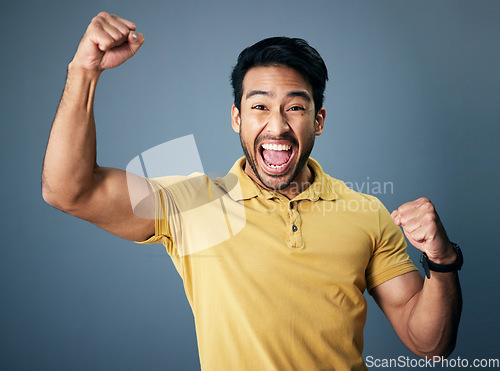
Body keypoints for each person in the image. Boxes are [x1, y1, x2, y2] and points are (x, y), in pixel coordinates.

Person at [42, 12, 462, 371]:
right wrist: (83, 72)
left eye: (295, 107)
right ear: (236, 118)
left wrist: (441, 262)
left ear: (318, 120)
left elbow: (429, 343)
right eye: (259, 106)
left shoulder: (366, 213)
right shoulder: (191, 205)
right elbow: (69, 191)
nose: (277, 126)